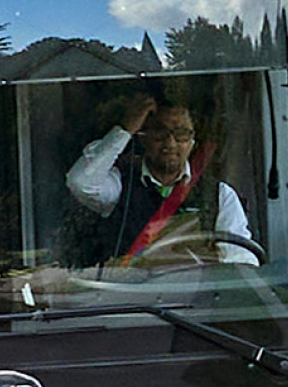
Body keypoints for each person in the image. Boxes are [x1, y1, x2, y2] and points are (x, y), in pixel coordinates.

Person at [64, 96, 257, 272]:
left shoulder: (219, 194)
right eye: (159, 134)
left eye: (181, 134)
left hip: (196, 303)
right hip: (130, 301)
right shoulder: (121, 185)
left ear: (192, 140)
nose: (170, 144)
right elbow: (81, 182)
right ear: (143, 138)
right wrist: (126, 129)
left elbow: (241, 260)